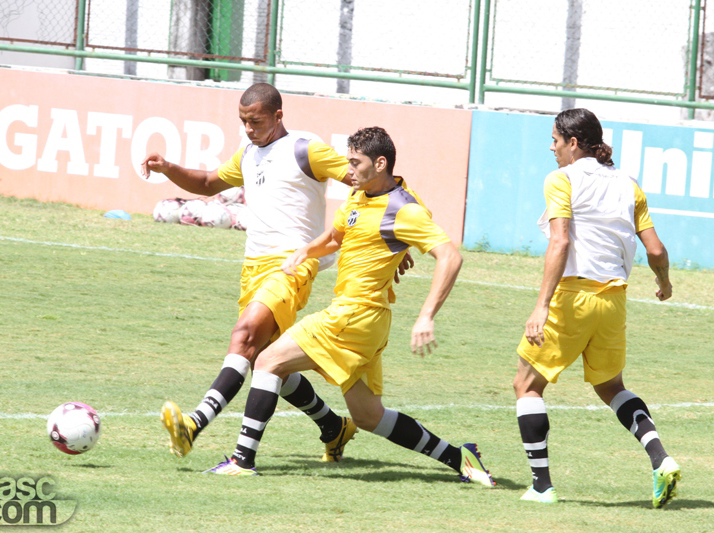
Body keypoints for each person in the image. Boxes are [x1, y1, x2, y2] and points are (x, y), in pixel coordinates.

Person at [203, 126, 495, 488]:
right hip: (368, 322)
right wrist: (306, 251)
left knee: (267, 360)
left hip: (354, 314)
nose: (349, 170)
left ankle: (242, 460)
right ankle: (459, 457)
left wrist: (426, 315)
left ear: (380, 163)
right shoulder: (359, 196)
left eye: (355, 163)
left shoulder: (404, 208)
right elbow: (337, 236)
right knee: (369, 416)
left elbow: (450, 256)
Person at [142, 83, 411, 462]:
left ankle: (194, 425)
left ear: (278, 116)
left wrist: (393, 241)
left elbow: (369, 183)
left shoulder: (305, 149)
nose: (248, 129)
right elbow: (206, 184)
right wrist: (169, 168)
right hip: (253, 267)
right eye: (243, 121)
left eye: (255, 121)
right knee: (263, 359)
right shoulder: (248, 154)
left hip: (292, 264)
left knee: (244, 335)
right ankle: (333, 427)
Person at [513, 108, 679, 507]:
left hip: (573, 298)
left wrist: (541, 306)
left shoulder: (561, 179)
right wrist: (664, 282)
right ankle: (661, 459)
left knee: (526, 385)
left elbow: (560, 242)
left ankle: (541, 486)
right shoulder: (628, 183)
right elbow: (656, 249)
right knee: (611, 387)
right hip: (614, 301)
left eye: (555, 140)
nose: (551, 148)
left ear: (573, 143)